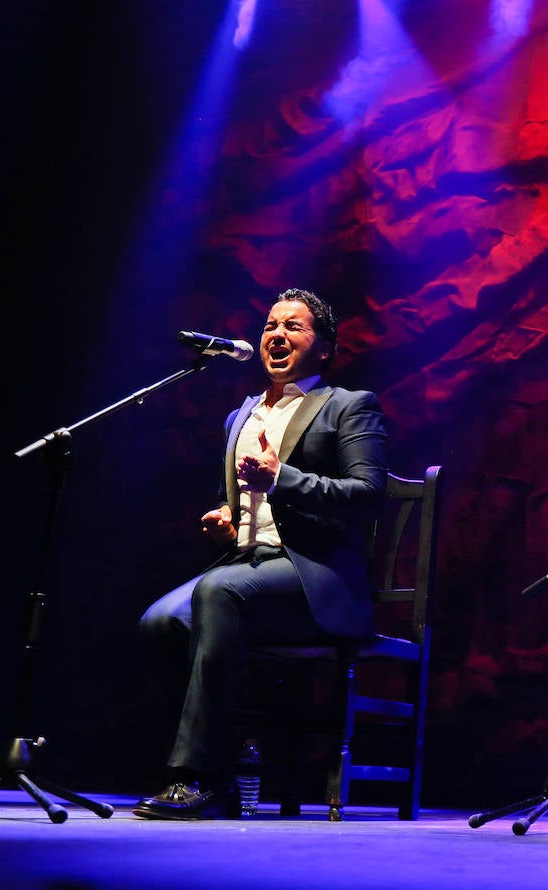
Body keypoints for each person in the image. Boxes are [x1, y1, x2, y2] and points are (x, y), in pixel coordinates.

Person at [135, 288, 388, 820]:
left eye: (294, 327)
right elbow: (242, 499)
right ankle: (221, 767)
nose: (276, 334)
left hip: (313, 576)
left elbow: (367, 497)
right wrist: (227, 518)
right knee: (159, 623)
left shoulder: (346, 406)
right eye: (271, 324)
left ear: (324, 349)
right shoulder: (241, 417)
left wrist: (283, 479)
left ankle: (196, 777)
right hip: (245, 567)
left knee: (216, 591)